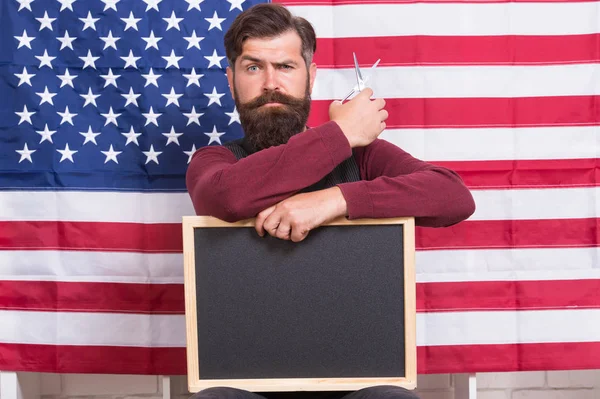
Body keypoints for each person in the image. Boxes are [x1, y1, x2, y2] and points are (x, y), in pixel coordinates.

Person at [185, 3, 475, 399]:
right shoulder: (215, 161)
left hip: (355, 386)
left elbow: (452, 195)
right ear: (232, 81)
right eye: (253, 67)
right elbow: (226, 197)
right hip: (246, 385)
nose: (271, 82)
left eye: (285, 67)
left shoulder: (362, 157)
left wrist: (336, 199)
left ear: (311, 77)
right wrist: (340, 133)